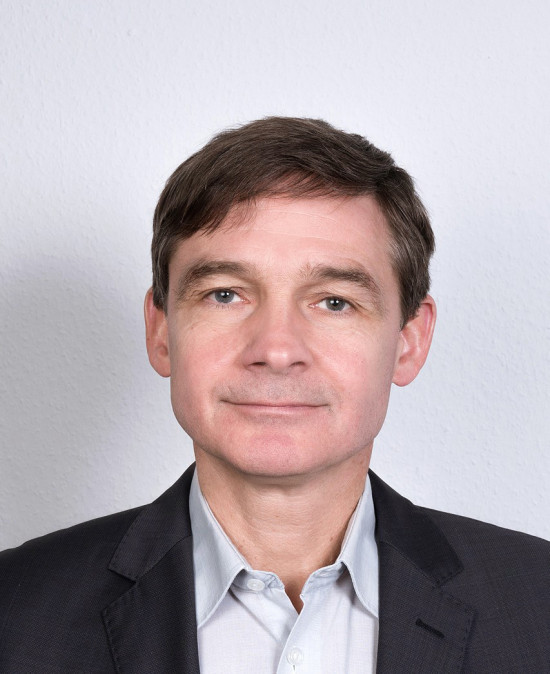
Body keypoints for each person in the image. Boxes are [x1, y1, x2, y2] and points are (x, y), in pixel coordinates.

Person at [0, 117, 549, 673]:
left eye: (334, 302)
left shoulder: (539, 605)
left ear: (409, 340)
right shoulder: (14, 616)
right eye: (225, 294)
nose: (277, 350)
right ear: (161, 331)